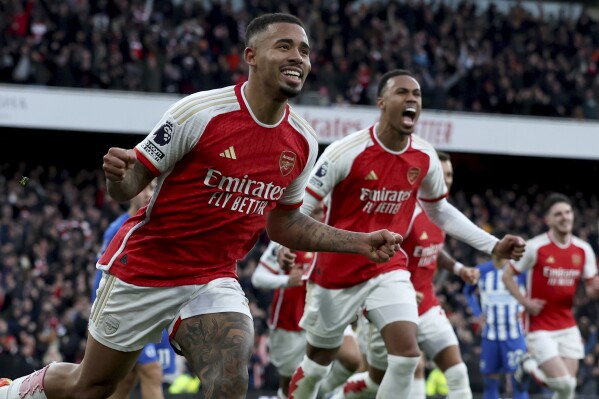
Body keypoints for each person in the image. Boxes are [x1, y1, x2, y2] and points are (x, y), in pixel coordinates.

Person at [0, 13, 403, 399]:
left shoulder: (302, 140)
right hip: (145, 269)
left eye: (305, 50)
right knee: (91, 388)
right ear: (251, 56)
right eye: (285, 47)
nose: (299, 57)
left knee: (231, 368)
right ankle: (12, 391)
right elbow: (132, 184)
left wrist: (360, 242)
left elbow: (284, 224)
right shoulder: (200, 112)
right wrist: (119, 176)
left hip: (212, 276)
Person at [287, 69, 526, 399]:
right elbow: (298, 211)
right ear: (382, 102)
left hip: (388, 268)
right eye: (402, 92)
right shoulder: (346, 152)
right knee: (316, 367)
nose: (412, 98)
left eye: (417, 94)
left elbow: (439, 210)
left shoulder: (424, 156)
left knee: (406, 357)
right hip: (335, 272)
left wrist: (494, 245)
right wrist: (286, 242)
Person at [327, 150, 481, 399]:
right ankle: (338, 394)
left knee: (457, 373)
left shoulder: (442, 214)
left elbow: (434, 250)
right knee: (380, 380)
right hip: (392, 304)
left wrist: (458, 269)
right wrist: (405, 291)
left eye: (450, 175)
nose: (447, 180)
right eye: (441, 175)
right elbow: (374, 255)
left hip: (428, 305)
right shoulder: (403, 212)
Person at [252, 204, 362, 399]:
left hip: (326, 313)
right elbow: (258, 278)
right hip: (290, 321)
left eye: (323, 210)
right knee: (289, 386)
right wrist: (286, 280)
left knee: (353, 359)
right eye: (316, 210)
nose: (320, 215)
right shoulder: (286, 239)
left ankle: (322, 393)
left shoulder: (334, 239)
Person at [502, 192, 599, 399]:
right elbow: (507, 275)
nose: (565, 217)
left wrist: (595, 289)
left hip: (567, 324)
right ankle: (527, 365)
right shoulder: (535, 247)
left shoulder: (583, 249)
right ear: (548, 220)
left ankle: (529, 366)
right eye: (558, 214)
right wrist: (525, 303)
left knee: (568, 388)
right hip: (539, 325)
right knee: (564, 384)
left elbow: (591, 289)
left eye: (568, 212)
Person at [89, 181, 174, 399]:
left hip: (147, 314)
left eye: (154, 187)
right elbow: (102, 277)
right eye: (145, 187)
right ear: (132, 191)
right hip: (124, 316)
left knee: (125, 381)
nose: (150, 193)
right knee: (152, 373)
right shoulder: (118, 229)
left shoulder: (157, 226)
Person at [463, 255, 529, 399]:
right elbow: (467, 291)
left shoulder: (519, 270)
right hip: (490, 336)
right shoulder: (481, 270)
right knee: (490, 381)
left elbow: (532, 290)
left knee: (518, 382)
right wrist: (477, 312)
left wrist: (524, 309)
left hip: (514, 335)